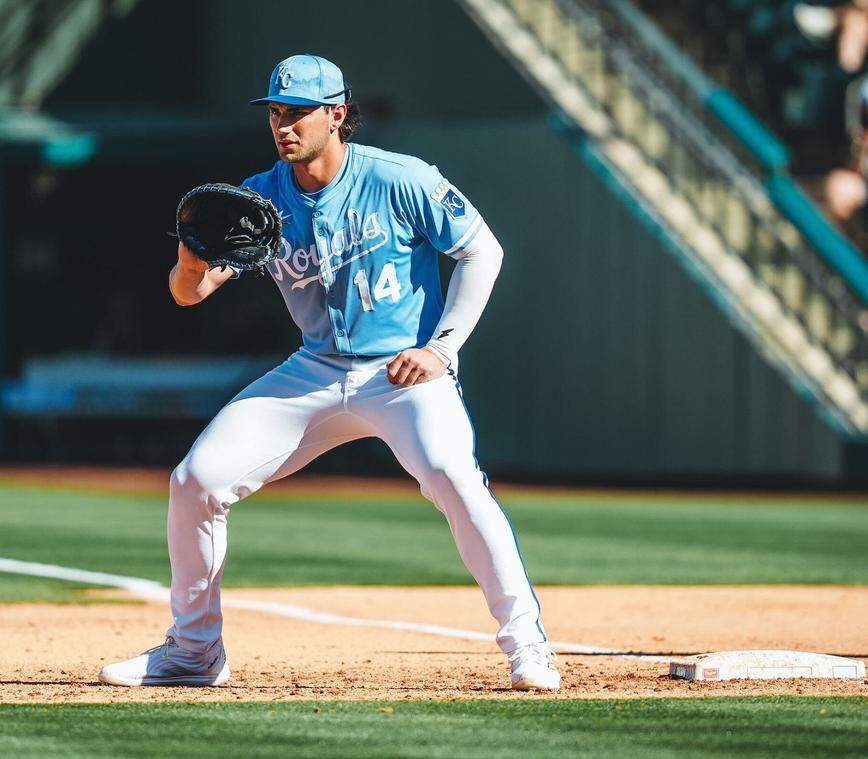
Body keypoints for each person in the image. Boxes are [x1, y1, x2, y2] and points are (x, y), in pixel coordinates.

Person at [98, 54, 560, 691]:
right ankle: (194, 653)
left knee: (452, 475)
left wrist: (443, 349)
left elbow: (483, 251)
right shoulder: (260, 197)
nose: (283, 125)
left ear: (338, 115)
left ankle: (527, 645)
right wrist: (188, 252)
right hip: (313, 371)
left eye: (298, 113)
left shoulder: (401, 178)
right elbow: (190, 294)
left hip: (404, 374)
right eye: (276, 113)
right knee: (195, 480)